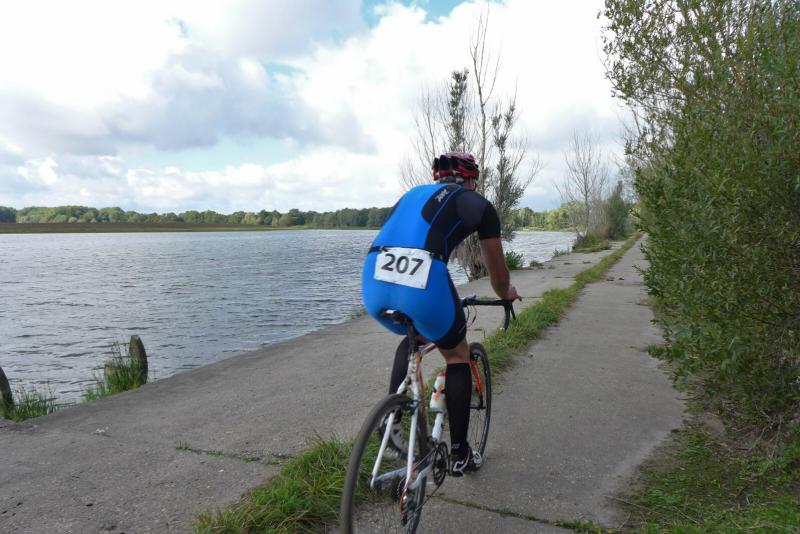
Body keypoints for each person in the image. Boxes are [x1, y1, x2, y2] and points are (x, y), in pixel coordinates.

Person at [361, 151, 520, 476]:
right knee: (458, 354)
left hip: (373, 275)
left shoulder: (412, 194)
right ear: (471, 180)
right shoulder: (479, 205)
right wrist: (507, 294)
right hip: (422, 279)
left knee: (414, 337)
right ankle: (460, 453)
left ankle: (392, 420)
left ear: (437, 179)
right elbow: (498, 278)